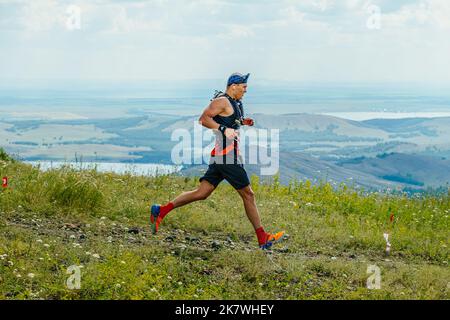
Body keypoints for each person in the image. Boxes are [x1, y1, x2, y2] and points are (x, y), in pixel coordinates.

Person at [150, 73, 285, 250]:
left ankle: (161, 210)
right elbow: (204, 119)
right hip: (227, 157)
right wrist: (223, 128)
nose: (246, 90)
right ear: (233, 86)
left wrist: (242, 122)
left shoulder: (236, 102)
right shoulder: (222, 101)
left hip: (222, 156)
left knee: (202, 192)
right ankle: (263, 238)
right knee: (248, 194)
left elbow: (228, 120)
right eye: (243, 86)